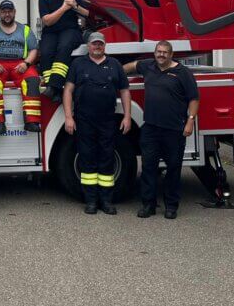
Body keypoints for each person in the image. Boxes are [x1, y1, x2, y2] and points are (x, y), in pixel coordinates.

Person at [123, 40, 200, 219]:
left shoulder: (183, 73)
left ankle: (171, 206)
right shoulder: (149, 66)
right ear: (155, 53)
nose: (161, 55)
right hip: (150, 128)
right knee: (148, 168)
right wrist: (116, 71)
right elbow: (133, 65)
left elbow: (194, 99)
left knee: (173, 168)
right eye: (158, 51)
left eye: (165, 52)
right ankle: (148, 206)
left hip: (174, 129)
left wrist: (190, 121)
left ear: (171, 54)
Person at [63, 32, 132, 215]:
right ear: (88, 46)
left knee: (107, 159)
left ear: (105, 46)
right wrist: (69, 117)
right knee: (87, 159)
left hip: (108, 120)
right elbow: (68, 91)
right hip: (84, 120)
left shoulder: (114, 65)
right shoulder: (78, 64)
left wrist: (127, 116)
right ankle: (91, 201)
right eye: (94, 44)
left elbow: (124, 91)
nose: (97, 47)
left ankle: (107, 201)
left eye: (100, 44)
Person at [0, 0, 41, 135]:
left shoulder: (25, 30)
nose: (7, 14)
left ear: (14, 12)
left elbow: (33, 50)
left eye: (10, 11)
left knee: (33, 80)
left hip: (20, 64)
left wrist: (26, 63)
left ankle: (31, 121)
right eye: (4, 11)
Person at [39, 0, 90, 102]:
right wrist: (63, 8)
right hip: (51, 31)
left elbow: (87, 13)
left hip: (70, 30)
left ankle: (53, 87)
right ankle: (55, 89)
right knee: (45, 52)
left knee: (64, 47)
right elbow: (48, 21)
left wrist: (75, 6)